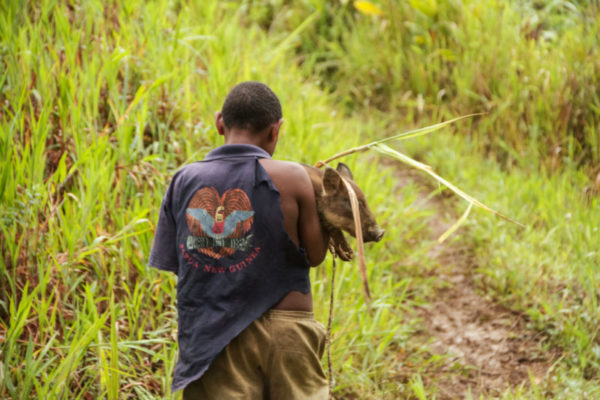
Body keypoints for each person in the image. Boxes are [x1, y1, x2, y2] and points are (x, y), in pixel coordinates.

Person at [149, 81, 330, 399]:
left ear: (219, 122)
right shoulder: (294, 177)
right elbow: (315, 255)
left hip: (216, 334)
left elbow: (184, 264)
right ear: (275, 131)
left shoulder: (185, 179)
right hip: (290, 331)